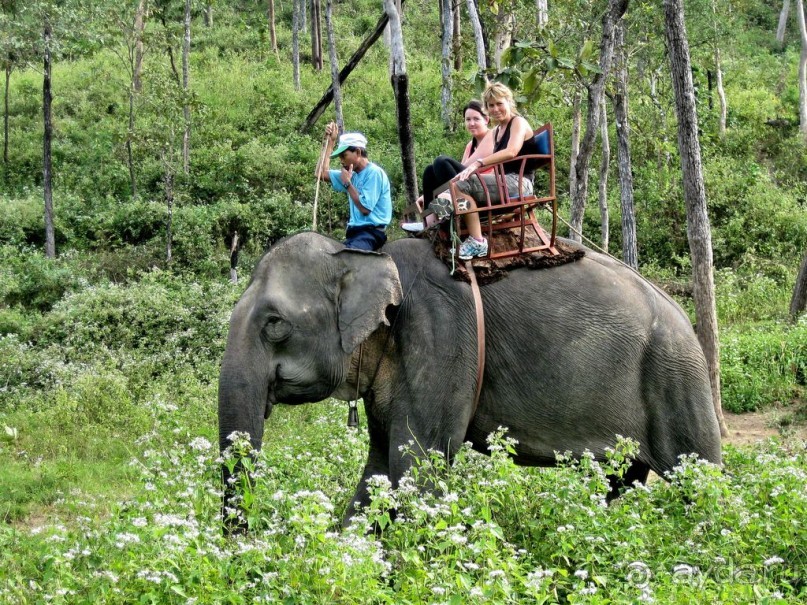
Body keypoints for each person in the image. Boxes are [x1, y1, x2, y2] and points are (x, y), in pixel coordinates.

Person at [451, 82, 540, 260]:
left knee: (460, 187)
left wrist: (478, 164)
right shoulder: (498, 130)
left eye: (500, 103)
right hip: (504, 180)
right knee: (455, 185)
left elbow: (511, 151)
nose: (496, 109)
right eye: (491, 105)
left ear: (509, 102)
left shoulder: (518, 122)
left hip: (520, 183)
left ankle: (477, 241)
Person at [402, 100, 495, 232]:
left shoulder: (491, 136)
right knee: (429, 170)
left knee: (441, 162)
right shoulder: (470, 145)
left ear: (486, 119)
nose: (471, 123)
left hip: (484, 186)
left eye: (476, 119)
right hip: (470, 182)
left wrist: (440, 189)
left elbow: (467, 167)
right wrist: (431, 192)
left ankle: (451, 203)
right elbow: (461, 171)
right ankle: (428, 221)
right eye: (468, 119)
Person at [317, 122, 392, 251]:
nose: (341, 160)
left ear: (357, 152)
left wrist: (347, 184)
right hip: (355, 234)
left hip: (371, 233)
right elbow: (320, 173)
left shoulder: (374, 173)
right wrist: (330, 142)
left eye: (344, 155)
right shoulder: (351, 174)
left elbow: (365, 208)